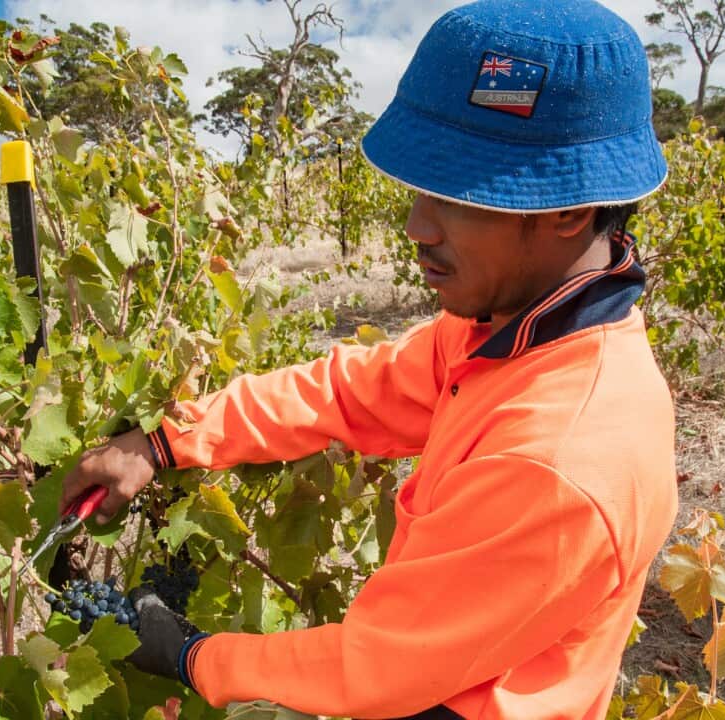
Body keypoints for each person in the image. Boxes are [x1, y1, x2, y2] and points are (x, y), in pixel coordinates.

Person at [60, 0, 679, 717]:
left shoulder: (561, 455)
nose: (417, 226)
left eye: (457, 195)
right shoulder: (510, 333)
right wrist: (165, 443)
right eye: (421, 186)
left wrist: (193, 654)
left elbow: (380, 665)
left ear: (570, 211)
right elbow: (351, 390)